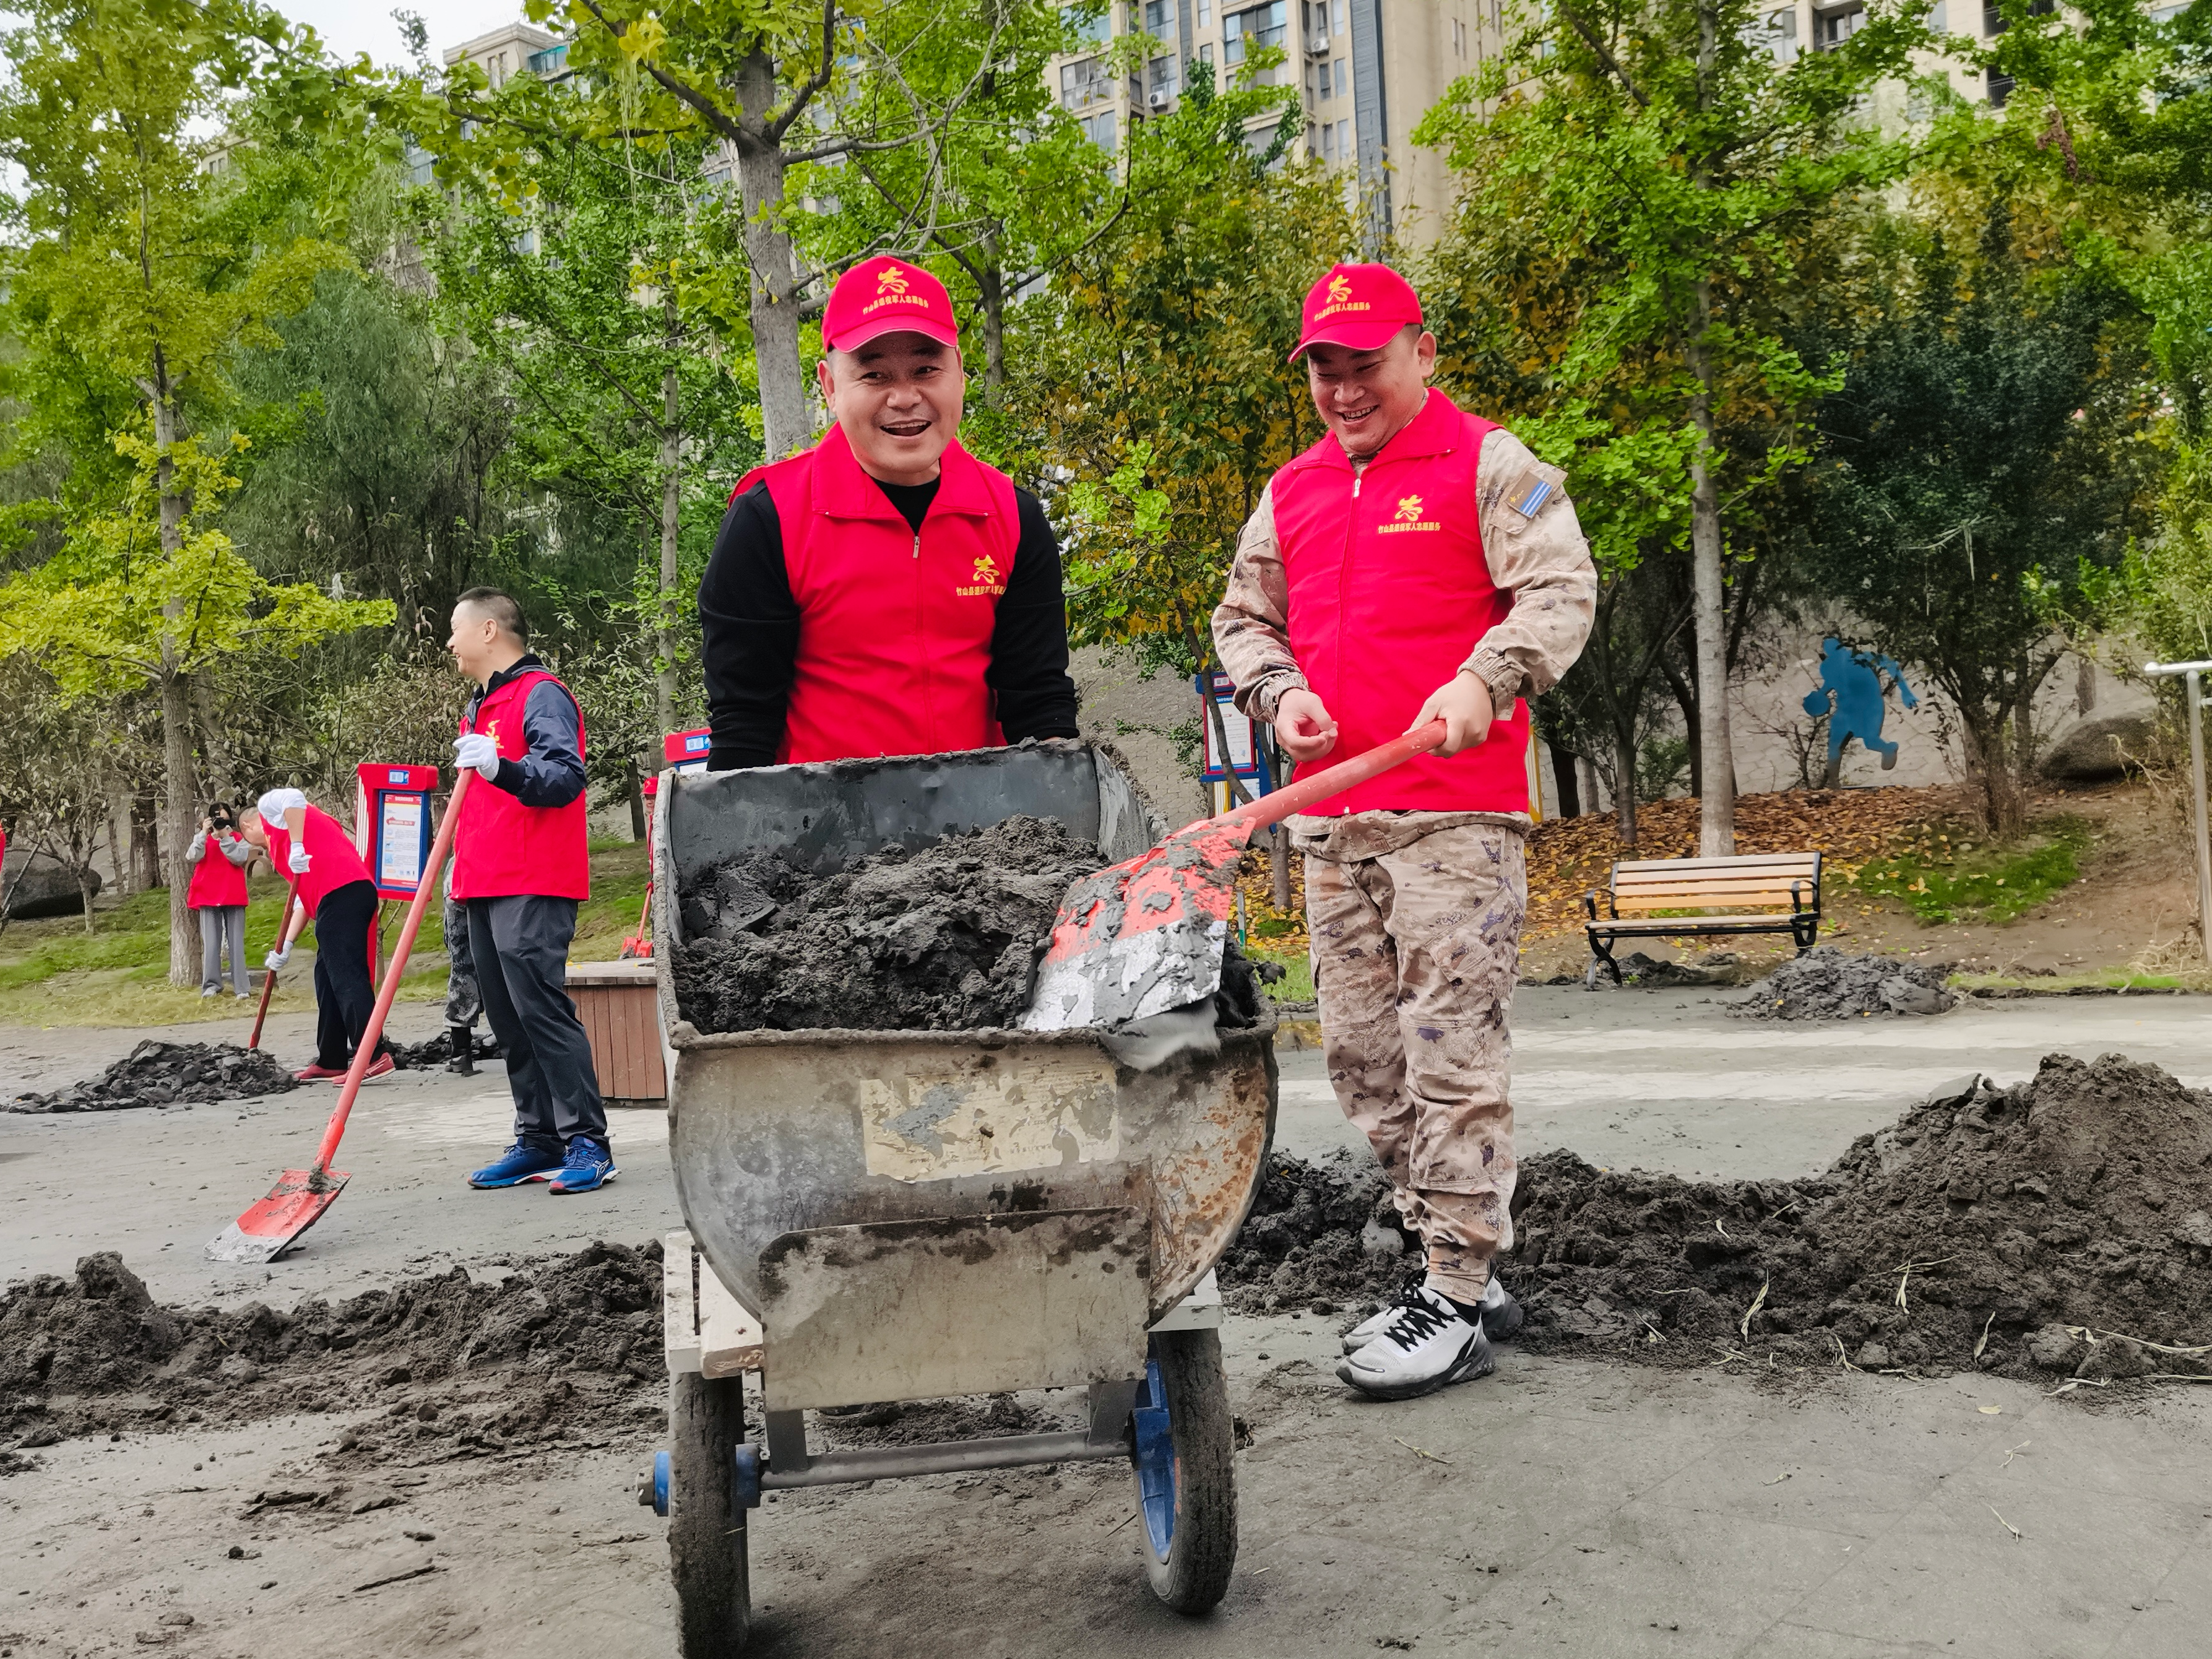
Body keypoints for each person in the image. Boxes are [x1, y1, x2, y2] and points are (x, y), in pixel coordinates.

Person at [1212, 262, 1597, 1401]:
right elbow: (1242, 619)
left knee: (1449, 1057)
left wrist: (1489, 677)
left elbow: (1558, 590)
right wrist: (1276, 695)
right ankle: (1454, 1261)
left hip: (1453, 826)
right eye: (1323, 368)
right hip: (1334, 827)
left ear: (1419, 353)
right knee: (1367, 1067)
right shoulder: (1289, 492)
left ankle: (1454, 1294)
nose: (1341, 388)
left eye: (1363, 363)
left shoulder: (1491, 464)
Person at [696, 255, 1078, 771]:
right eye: (874, 375)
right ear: (830, 387)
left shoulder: (1011, 516)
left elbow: (1039, 704)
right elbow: (743, 727)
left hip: (988, 832)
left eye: (926, 369)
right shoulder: (769, 521)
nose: (905, 397)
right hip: (822, 829)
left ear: (960, 374)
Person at [447, 588, 613, 1196]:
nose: (449, 643)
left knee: (540, 1008)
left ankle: (587, 1142)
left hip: (531, 877)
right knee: (507, 1017)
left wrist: (503, 767)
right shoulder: (480, 703)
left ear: (490, 630)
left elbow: (564, 776)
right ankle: (537, 1136)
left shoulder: (540, 693)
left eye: (456, 629)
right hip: (484, 881)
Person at [240, 789, 394, 1083]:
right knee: (326, 977)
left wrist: (297, 845)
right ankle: (332, 1058)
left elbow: (293, 797)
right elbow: (301, 900)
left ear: (247, 827)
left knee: (347, 976)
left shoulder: (270, 812)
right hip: (331, 899)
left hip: (344, 891)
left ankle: (373, 1055)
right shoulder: (280, 848)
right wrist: (286, 944)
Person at [186, 802, 256, 999]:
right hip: (207, 894)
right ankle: (211, 985)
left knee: (236, 944)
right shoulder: (202, 839)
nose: (220, 823)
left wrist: (225, 838)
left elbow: (239, 858)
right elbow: (192, 856)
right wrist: (203, 834)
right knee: (211, 944)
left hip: (233, 894)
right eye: (217, 819)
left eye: (224, 819)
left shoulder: (238, 839)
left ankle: (242, 988)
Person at [442, 871, 484, 1075]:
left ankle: (460, 1052)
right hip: (472, 880)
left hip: (459, 881)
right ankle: (461, 1052)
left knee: (462, 973)